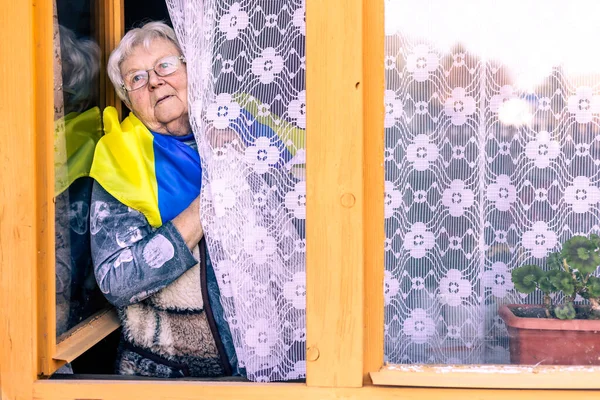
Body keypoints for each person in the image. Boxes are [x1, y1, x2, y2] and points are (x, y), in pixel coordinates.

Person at [89, 21, 238, 378]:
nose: (155, 81)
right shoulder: (120, 159)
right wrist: (204, 208)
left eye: (166, 66)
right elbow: (116, 279)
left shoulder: (241, 125)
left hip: (275, 364)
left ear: (191, 68)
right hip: (172, 374)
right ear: (128, 99)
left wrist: (244, 159)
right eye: (137, 78)